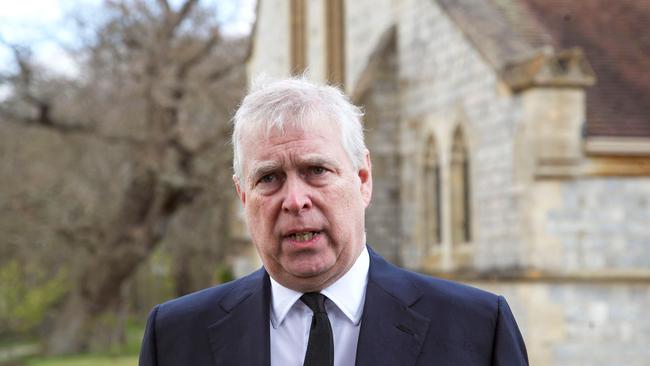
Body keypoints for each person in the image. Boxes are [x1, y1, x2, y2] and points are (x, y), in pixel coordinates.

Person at [139, 78, 529, 365]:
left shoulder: (477, 330)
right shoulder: (174, 337)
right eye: (269, 178)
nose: (294, 200)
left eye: (316, 170)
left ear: (363, 179)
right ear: (244, 197)